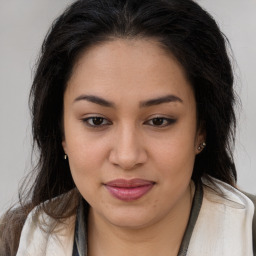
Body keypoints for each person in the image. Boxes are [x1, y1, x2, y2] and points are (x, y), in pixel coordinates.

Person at [0, 0, 255, 255]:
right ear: (61, 132)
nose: (127, 157)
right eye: (96, 121)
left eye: (158, 121)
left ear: (201, 128)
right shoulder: (14, 242)